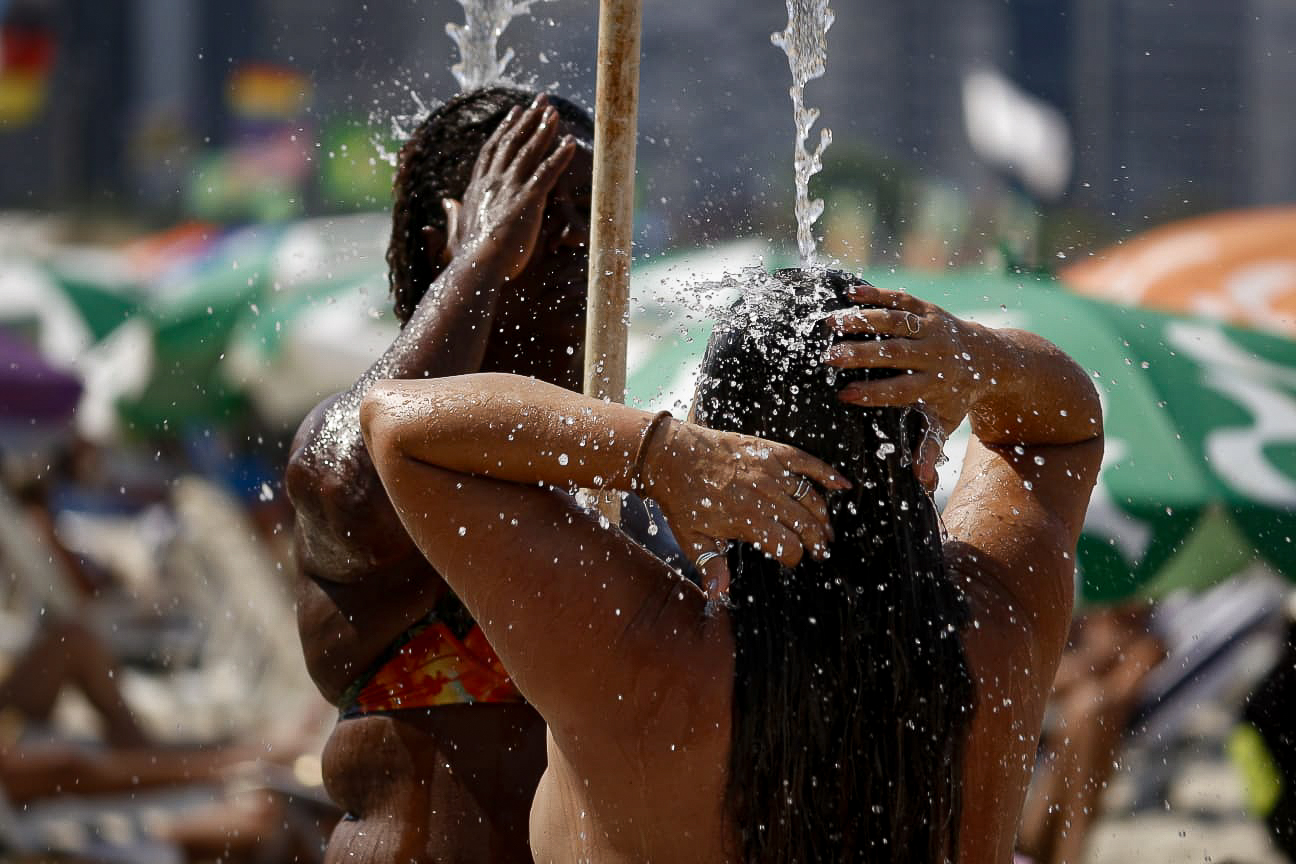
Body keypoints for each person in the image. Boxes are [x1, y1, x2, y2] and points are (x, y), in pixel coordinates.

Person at [359, 268, 1104, 861]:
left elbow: (398, 424)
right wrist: (982, 355)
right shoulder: (998, 633)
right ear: (924, 459)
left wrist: (658, 452)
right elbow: (1060, 431)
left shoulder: (634, 658)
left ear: (717, 458)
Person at [284, 86, 595, 862]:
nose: (580, 243)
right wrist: (487, 256)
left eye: (598, 217)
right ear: (442, 246)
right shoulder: (347, 437)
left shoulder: (612, 479)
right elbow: (356, 492)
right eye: (542, 215)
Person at [1017, 604, 1166, 864]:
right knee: (1089, 709)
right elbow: (1037, 680)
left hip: (1082, 709)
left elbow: (1132, 675)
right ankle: (1057, 853)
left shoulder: (1148, 638)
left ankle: (1048, 853)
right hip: (1057, 709)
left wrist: (1092, 665)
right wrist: (1093, 662)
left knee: (1091, 709)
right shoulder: (1083, 616)